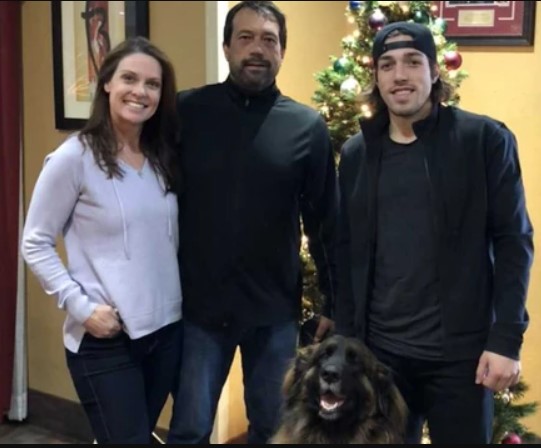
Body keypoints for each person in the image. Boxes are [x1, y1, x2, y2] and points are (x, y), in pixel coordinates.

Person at [334, 21, 534, 444]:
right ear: (376, 76)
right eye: (386, 65)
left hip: (459, 361)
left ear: (435, 71)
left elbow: (514, 241)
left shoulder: (483, 141)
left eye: (412, 62)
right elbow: (346, 250)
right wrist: (350, 342)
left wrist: (506, 340)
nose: (399, 75)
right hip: (381, 360)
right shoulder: (357, 154)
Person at [167, 1, 338, 444]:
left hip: (274, 312)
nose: (257, 49)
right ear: (226, 47)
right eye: (245, 38)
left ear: (283, 50)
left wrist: (331, 303)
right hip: (198, 309)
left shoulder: (307, 127)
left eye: (269, 39)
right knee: (189, 429)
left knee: (274, 429)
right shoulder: (185, 113)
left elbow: (325, 224)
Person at [21, 36, 183, 444]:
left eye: (152, 84)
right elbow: (35, 242)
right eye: (129, 78)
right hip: (106, 341)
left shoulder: (161, 158)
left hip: (165, 334)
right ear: (107, 83)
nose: (140, 92)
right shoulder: (74, 158)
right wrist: (82, 307)